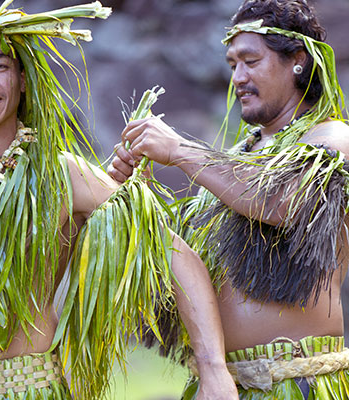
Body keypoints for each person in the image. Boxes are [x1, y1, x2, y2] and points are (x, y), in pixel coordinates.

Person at [0, 1, 238, 400]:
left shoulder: (64, 176)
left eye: (0, 66)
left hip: (35, 389)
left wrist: (214, 370)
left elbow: (175, 254)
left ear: (23, 80)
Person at [108, 0, 349, 398]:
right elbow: (189, 263)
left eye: (251, 61)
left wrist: (181, 150)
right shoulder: (237, 161)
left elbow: (281, 203)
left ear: (298, 62)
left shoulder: (332, 138)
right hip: (223, 385)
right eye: (232, 64)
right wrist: (137, 195)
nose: (238, 76)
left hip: (299, 380)